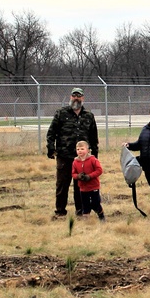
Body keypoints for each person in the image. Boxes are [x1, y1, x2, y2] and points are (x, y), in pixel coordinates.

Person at [46, 87, 99, 217]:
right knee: (62, 186)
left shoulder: (89, 116)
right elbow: (51, 133)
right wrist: (51, 148)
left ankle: (80, 212)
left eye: (79, 96)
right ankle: (60, 212)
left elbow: (93, 137)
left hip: (82, 159)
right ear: (70, 97)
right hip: (64, 156)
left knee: (80, 186)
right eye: (74, 96)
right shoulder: (61, 113)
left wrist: (94, 156)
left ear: (83, 98)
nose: (76, 98)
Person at [71, 140, 105, 220]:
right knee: (85, 204)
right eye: (78, 149)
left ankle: (101, 216)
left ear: (88, 150)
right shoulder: (75, 162)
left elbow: (99, 170)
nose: (80, 151)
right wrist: (78, 176)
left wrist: (89, 176)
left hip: (93, 186)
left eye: (82, 149)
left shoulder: (93, 159)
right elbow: (73, 174)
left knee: (96, 203)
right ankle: (86, 220)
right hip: (83, 188)